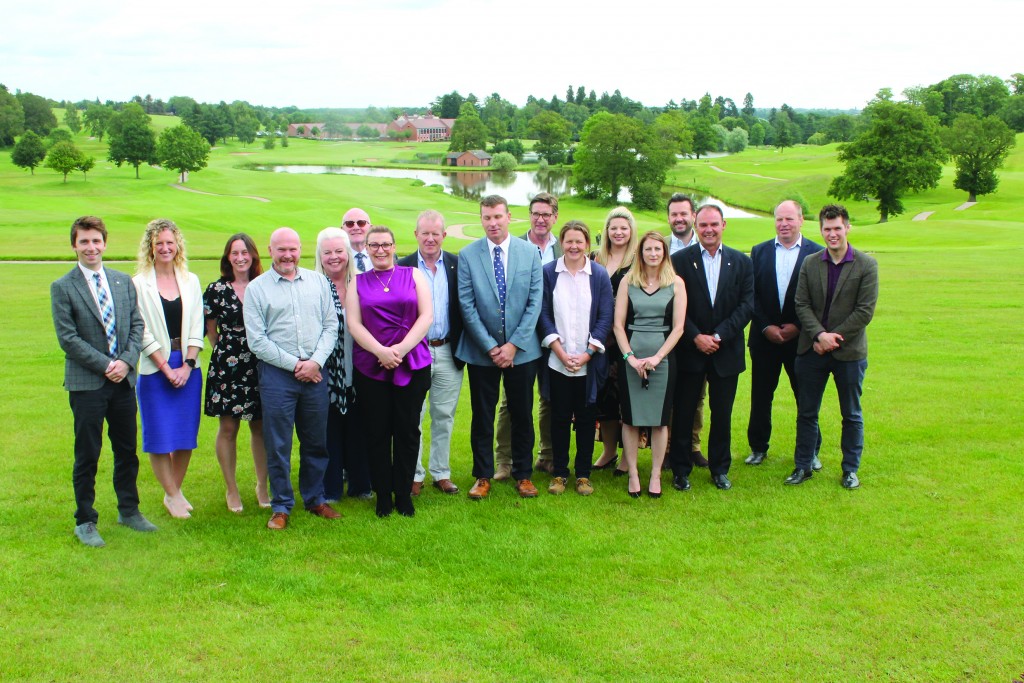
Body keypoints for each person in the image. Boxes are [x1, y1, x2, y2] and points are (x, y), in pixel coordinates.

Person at [52, 215, 156, 547]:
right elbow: (68, 339)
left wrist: (125, 362)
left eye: (96, 240)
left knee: (126, 449)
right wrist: (106, 364)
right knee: (88, 452)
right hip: (88, 385)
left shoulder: (123, 282)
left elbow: (137, 325)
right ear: (74, 245)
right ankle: (85, 520)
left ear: (105, 243)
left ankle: (129, 510)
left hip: (123, 382)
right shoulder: (63, 287)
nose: (91, 247)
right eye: (84, 241)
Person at [244, 227, 340, 530]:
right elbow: (257, 341)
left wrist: (314, 363)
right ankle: (282, 505)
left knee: (315, 442)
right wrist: (296, 364)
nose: (288, 255)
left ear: (301, 250)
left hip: (315, 374)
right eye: (281, 249)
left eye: (293, 249)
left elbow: (331, 326)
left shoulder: (319, 282)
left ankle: (315, 499)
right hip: (277, 377)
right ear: (271, 251)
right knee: (278, 444)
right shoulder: (257, 289)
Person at [456, 194, 544, 500]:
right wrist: (493, 347)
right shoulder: (468, 255)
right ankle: (482, 476)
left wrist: (514, 345)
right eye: (486, 218)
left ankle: (523, 475)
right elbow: (466, 306)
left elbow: (535, 302)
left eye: (497, 217)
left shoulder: (529, 253)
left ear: (509, 217)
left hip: (523, 351)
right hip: (482, 353)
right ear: (481, 219)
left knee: (522, 413)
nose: (492, 223)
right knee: (482, 415)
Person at [787, 204, 878, 489]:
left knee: (851, 414)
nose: (832, 234)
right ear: (821, 230)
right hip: (812, 350)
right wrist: (818, 336)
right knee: (806, 412)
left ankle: (850, 469)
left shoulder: (866, 265)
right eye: (827, 229)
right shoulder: (811, 263)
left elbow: (864, 311)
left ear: (847, 227)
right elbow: (801, 304)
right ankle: (803, 466)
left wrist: (832, 337)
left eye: (837, 228)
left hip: (849, 353)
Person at [346, 225, 433, 517]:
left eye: (385, 244)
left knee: (408, 430)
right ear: (366, 249)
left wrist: (400, 350)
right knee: (377, 432)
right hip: (372, 366)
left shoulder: (414, 275)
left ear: (395, 246)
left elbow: (426, 316)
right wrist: (381, 352)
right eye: (374, 245)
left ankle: (403, 493)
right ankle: (383, 495)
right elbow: (354, 324)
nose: (380, 250)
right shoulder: (357, 282)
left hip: (412, 362)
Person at [669, 205, 753, 491]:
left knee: (722, 414)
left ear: (723, 225)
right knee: (683, 413)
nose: (708, 230)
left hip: (725, 351)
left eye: (714, 224)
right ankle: (680, 469)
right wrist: (695, 337)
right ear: (696, 224)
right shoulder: (679, 261)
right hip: (690, 350)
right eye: (703, 224)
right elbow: (675, 306)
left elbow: (747, 305)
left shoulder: (742, 262)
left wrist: (718, 336)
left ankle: (719, 469)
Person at [133, 219, 204, 519]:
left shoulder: (191, 280)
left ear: (178, 245)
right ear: (150, 246)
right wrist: (165, 367)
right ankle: (173, 496)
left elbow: (197, 323)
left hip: (188, 367)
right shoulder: (137, 283)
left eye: (169, 242)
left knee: (185, 435)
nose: (165, 248)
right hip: (154, 369)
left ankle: (173, 491)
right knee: (160, 436)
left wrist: (187, 365)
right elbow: (140, 329)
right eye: (159, 243)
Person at [537, 221, 614, 496]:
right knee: (557, 419)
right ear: (562, 242)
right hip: (557, 362)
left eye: (579, 241)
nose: (574, 246)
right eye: (569, 241)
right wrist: (559, 351)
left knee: (585, 419)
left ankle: (583, 474)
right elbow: (543, 314)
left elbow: (606, 316)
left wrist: (587, 354)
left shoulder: (599, 275)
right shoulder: (549, 273)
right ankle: (559, 473)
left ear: (587, 245)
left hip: (588, 363)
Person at [745, 200, 824, 468]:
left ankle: (811, 451)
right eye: (779, 219)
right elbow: (750, 295)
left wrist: (799, 327)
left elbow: (819, 299)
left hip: (800, 341)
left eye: (789, 219)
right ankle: (758, 447)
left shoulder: (817, 253)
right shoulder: (759, 252)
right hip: (764, 339)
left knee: (805, 396)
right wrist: (766, 326)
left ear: (801, 220)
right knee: (761, 396)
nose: (784, 224)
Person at [613, 232, 687, 498]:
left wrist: (657, 358)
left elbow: (678, 328)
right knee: (630, 419)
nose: (653, 253)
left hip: (663, 359)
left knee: (659, 420)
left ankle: (655, 474)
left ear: (664, 253)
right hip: (631, 357)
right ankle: (633, 473)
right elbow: (618, 325)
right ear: (640, 253)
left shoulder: (676, 283)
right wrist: (630, 358)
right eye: (648, 249)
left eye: (658, 249)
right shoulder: (627, 282)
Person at [494, 191, 562, 477]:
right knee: (512, 401)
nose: (541, 219)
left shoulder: (565, 248)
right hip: (520, 338)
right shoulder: (515, 246)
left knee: (550, 398)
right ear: (528, 215)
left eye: (546, 214)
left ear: (555, 217)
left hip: (556, 337)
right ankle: (504, 461)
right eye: (536, 213)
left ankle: (547, 455)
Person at [398, 210, 464, 496]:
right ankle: (414, 474)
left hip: (448, 349)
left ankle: (441, 472)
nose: (430, 238)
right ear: (416, 235)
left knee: (444, 414)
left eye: (436, 233)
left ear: (444, 236)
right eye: (424, 232)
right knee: (414, 414)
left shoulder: (457, 265)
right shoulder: (402, 267)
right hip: (415, 352)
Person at [204, 233, 270, 513]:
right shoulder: (216, 289)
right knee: (228, 427)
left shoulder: (265, 286)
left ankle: (262, 485)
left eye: (246, 252)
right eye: (235, 253)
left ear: (254, 256)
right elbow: (211, 331)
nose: (241, 257)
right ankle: (231, 489)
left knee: (260, 427)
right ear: (227, 257)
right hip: (227, 365)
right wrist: (227, 353)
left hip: (262, 363)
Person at [314, 227, 373, 504]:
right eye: (328, 252)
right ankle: (331, 488)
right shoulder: (312, 285)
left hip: (360, 364)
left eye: (340, 251)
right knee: (329, 428)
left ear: (348, 254)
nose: (334, 257)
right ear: (320, 255)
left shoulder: (361, 284)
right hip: (326, 370)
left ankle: (362, 484)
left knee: (359, 426)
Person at [591, 207, 638, 473]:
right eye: (613, 228)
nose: (618, 232)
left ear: (631, 231)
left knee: (626, 400)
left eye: (623, 228)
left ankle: (627, 457)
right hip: (600, 340)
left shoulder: (637, 261)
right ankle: (609, 451)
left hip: (628, 339)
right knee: (605, 399)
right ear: (606, 231)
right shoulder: (596, 259)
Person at [666, 192, 709, 468]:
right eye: (674, 214)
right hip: (667, 333)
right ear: (668, 217)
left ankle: (692, 445)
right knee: (669, 393)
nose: (679, 218)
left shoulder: (706, 243)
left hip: (698, 334)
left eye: (684, 213)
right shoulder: (659, 247)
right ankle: (669, 447)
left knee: (697, 395)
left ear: (692, 215)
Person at [342, 207, 372, 273]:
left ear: (370, 228)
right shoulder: (336, 259)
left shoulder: (383, 255)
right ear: (342, 229)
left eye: (361, 223)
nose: (356, 227)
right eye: (349, 224)